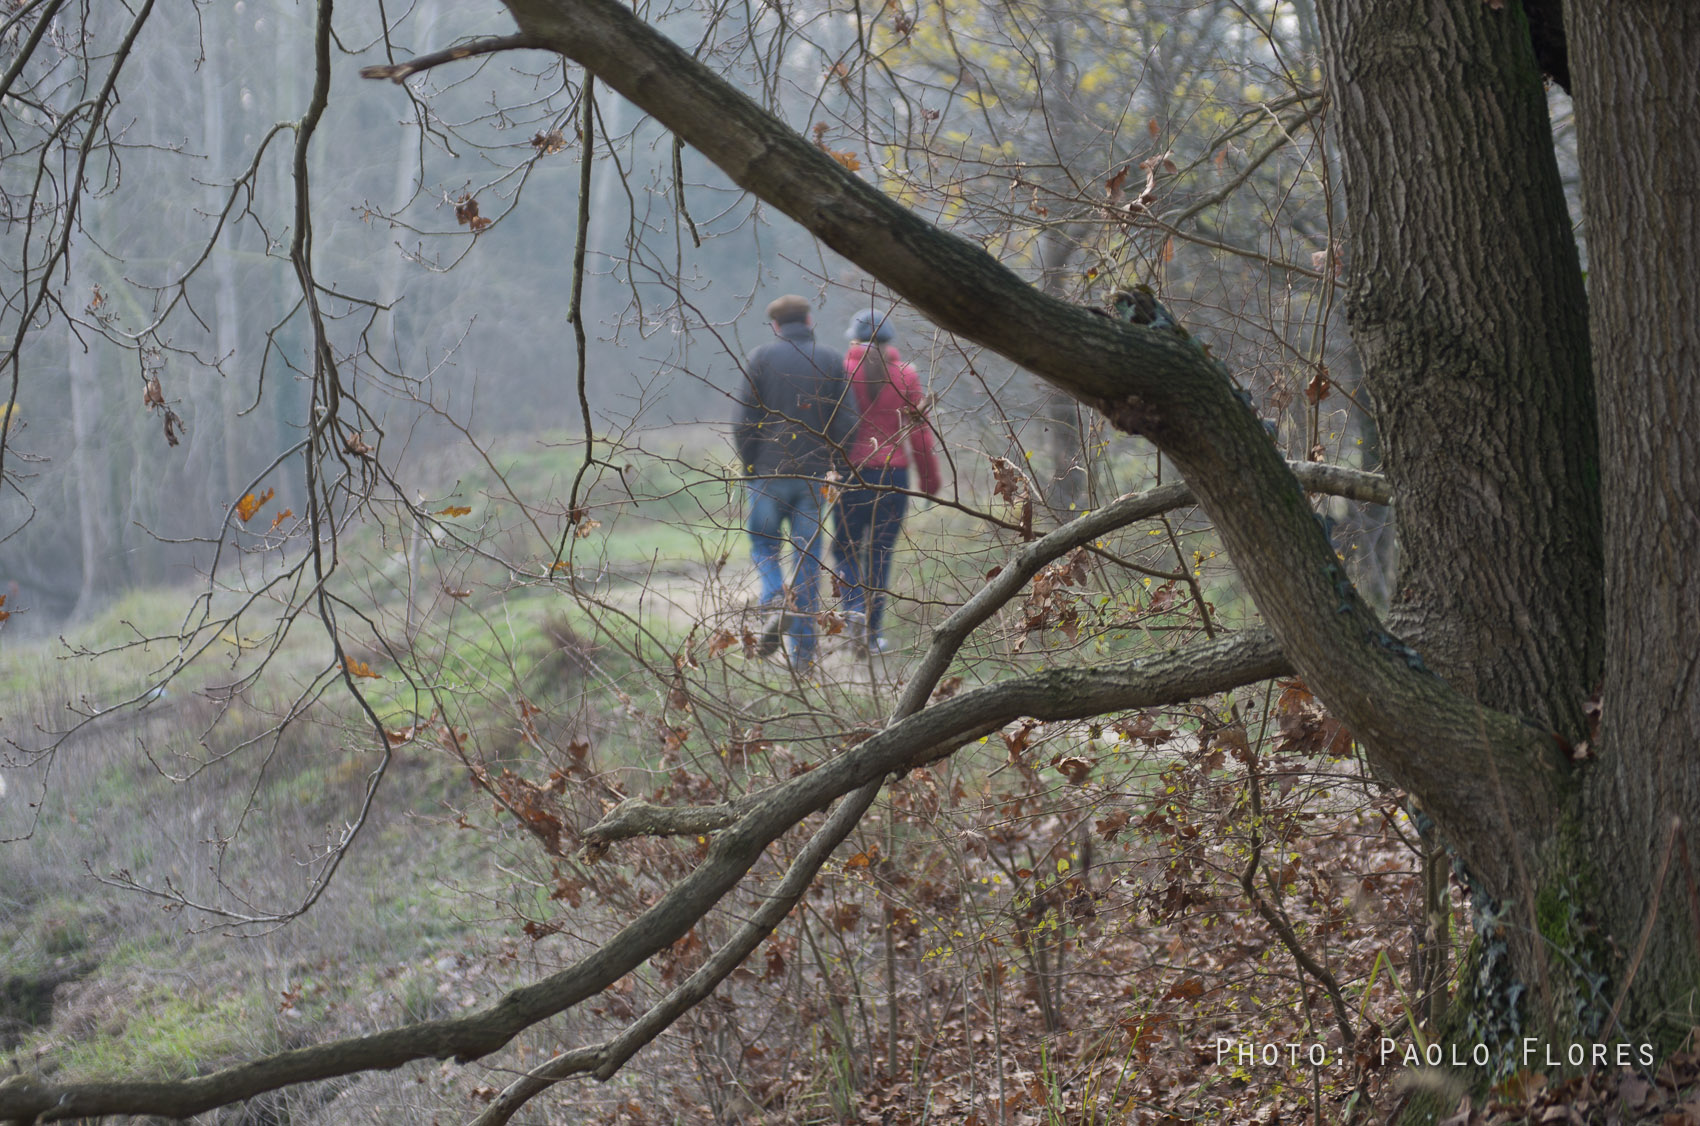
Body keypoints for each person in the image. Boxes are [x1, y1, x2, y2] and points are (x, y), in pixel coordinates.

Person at [734, 294, 857, 666]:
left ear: (775, 327)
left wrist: (751, 467)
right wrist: (832, 461)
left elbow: (743, 422)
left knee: (764, 546)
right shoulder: (832, 360)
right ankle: (803, 658)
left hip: (768, 475)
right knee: (807, 562)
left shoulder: (760, 359)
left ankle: (773, 598)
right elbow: (849, 421)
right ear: (809, 321)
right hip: (813, 478)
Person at [834, 308, 942, 656]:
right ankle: (873, 633)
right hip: (893, 477)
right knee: (880, 554)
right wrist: (929, 481)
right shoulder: (906, 375)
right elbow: (919, 433)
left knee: (846, 550)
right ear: (889, 340)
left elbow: (829, 426)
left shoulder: (841, 372)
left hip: (851, 474)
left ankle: (852, 610)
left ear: (854, 338)